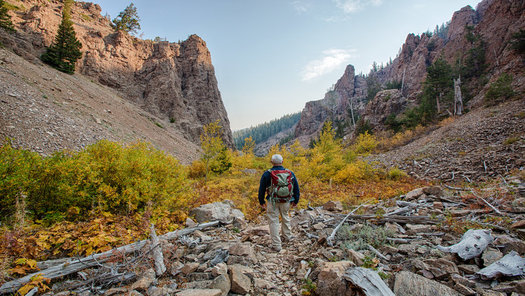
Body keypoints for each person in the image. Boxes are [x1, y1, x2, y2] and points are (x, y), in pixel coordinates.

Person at [258, 154, 300, 252]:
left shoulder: (267, 174)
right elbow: (296, 187)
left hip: (272, 201)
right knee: (285, 216)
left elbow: (262, 189)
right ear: (282, 162)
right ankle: (287, 237)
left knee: (273, 221)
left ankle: (276, 245)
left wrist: (261, 201)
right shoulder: (290, 173)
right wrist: (295, 200)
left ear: (272, 162)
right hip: (286, 200)